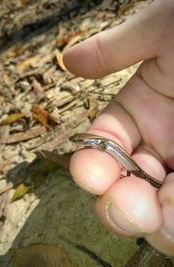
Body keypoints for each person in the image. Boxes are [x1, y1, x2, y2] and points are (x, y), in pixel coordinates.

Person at [63, 0, 174, 256]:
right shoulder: (96, 143)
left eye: (79, 141)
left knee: (142, 182)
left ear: (85, 141)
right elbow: (104, 145)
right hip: (138, 166)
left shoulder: (98, 142)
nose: (80, 142)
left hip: (140, 168)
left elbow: (104, 144)